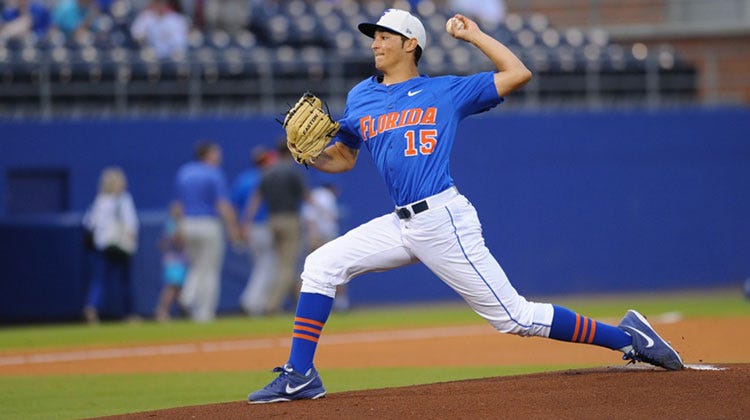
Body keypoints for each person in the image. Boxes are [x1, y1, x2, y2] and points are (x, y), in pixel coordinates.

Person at [247, 9, 684, 403]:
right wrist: (312, 156)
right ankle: (300, 374)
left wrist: (474, 35)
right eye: (373, 36)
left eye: (384, 36)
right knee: (321, 265)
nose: (375, 43)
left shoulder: (446, 91)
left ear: (410, 44)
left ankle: (627, 338)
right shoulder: (362, 95)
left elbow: (518, 72)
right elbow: (344, 158)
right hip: (400, 223)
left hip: (441, 218)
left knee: (514, 317)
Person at [175, 141, 243, 323]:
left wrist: (178, 228)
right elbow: (222, 204)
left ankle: (187, 296)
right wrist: (233, 229)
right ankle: (204, 313)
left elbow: (179, 205)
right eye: (216, 153)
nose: (219, 156)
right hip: (208, 224)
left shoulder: (184, 172)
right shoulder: (213, 173)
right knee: (210, 270)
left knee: (196, 265)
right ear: (207, 154)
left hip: (188, 222)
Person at [244, 140, 307, 315]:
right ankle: (272, 305)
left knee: (283, 265)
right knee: (287, 266)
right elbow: (306, 196)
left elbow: (255, 199)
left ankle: (299, 304)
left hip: (272, 221)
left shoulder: (268, 171)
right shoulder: (291, 171)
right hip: (289, 219)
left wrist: (247, 222)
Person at [82, 166, 139, 324]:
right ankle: (129, 314)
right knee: (124, 281)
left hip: (102, 246)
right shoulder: (123, 199)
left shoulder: (99, 200)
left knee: (99, 279)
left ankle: (92, 307)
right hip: (120, 245)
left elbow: (88, 223)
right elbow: (131, 224)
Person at [230, 145, 278, 316]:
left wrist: (239, 227)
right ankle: (251, 302)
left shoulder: (243, 179)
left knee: (262, 265)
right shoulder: (267, 177)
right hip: (263, 225)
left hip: (249, 228)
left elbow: (233, 206)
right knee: (266, 266)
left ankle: (257, 303)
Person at [300, 182, 348, 312]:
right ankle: (339, 303)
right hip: (324, 238)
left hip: (323, 236)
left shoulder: (317, 195)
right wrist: (313, 236)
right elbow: (310, 218)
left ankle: (318, 306)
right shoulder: (325, 196)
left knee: (317, 272)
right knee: (336, 269)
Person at [154, 201, 188, 322]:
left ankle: (185, 312)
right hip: (174, 261)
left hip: (179, 260)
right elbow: (177, 242)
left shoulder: (178, 224)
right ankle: (161, 311)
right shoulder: (173, 224)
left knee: (179, 289)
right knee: (172, 287)